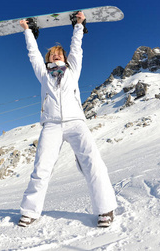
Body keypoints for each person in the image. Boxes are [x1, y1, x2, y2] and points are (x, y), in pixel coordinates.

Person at [17, 12, 117, 228]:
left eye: (59, 53)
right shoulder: (43, 74)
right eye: (52, 54)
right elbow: (33, 54)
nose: (56, 55)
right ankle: (30, 211)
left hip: (75, 122)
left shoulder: (73, 71)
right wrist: (27, 31)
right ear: (48, 58)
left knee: (92, 162)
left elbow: (76, 50)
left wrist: (78, 26)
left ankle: (105, 210)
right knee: (41, 167)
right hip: (51, 124)